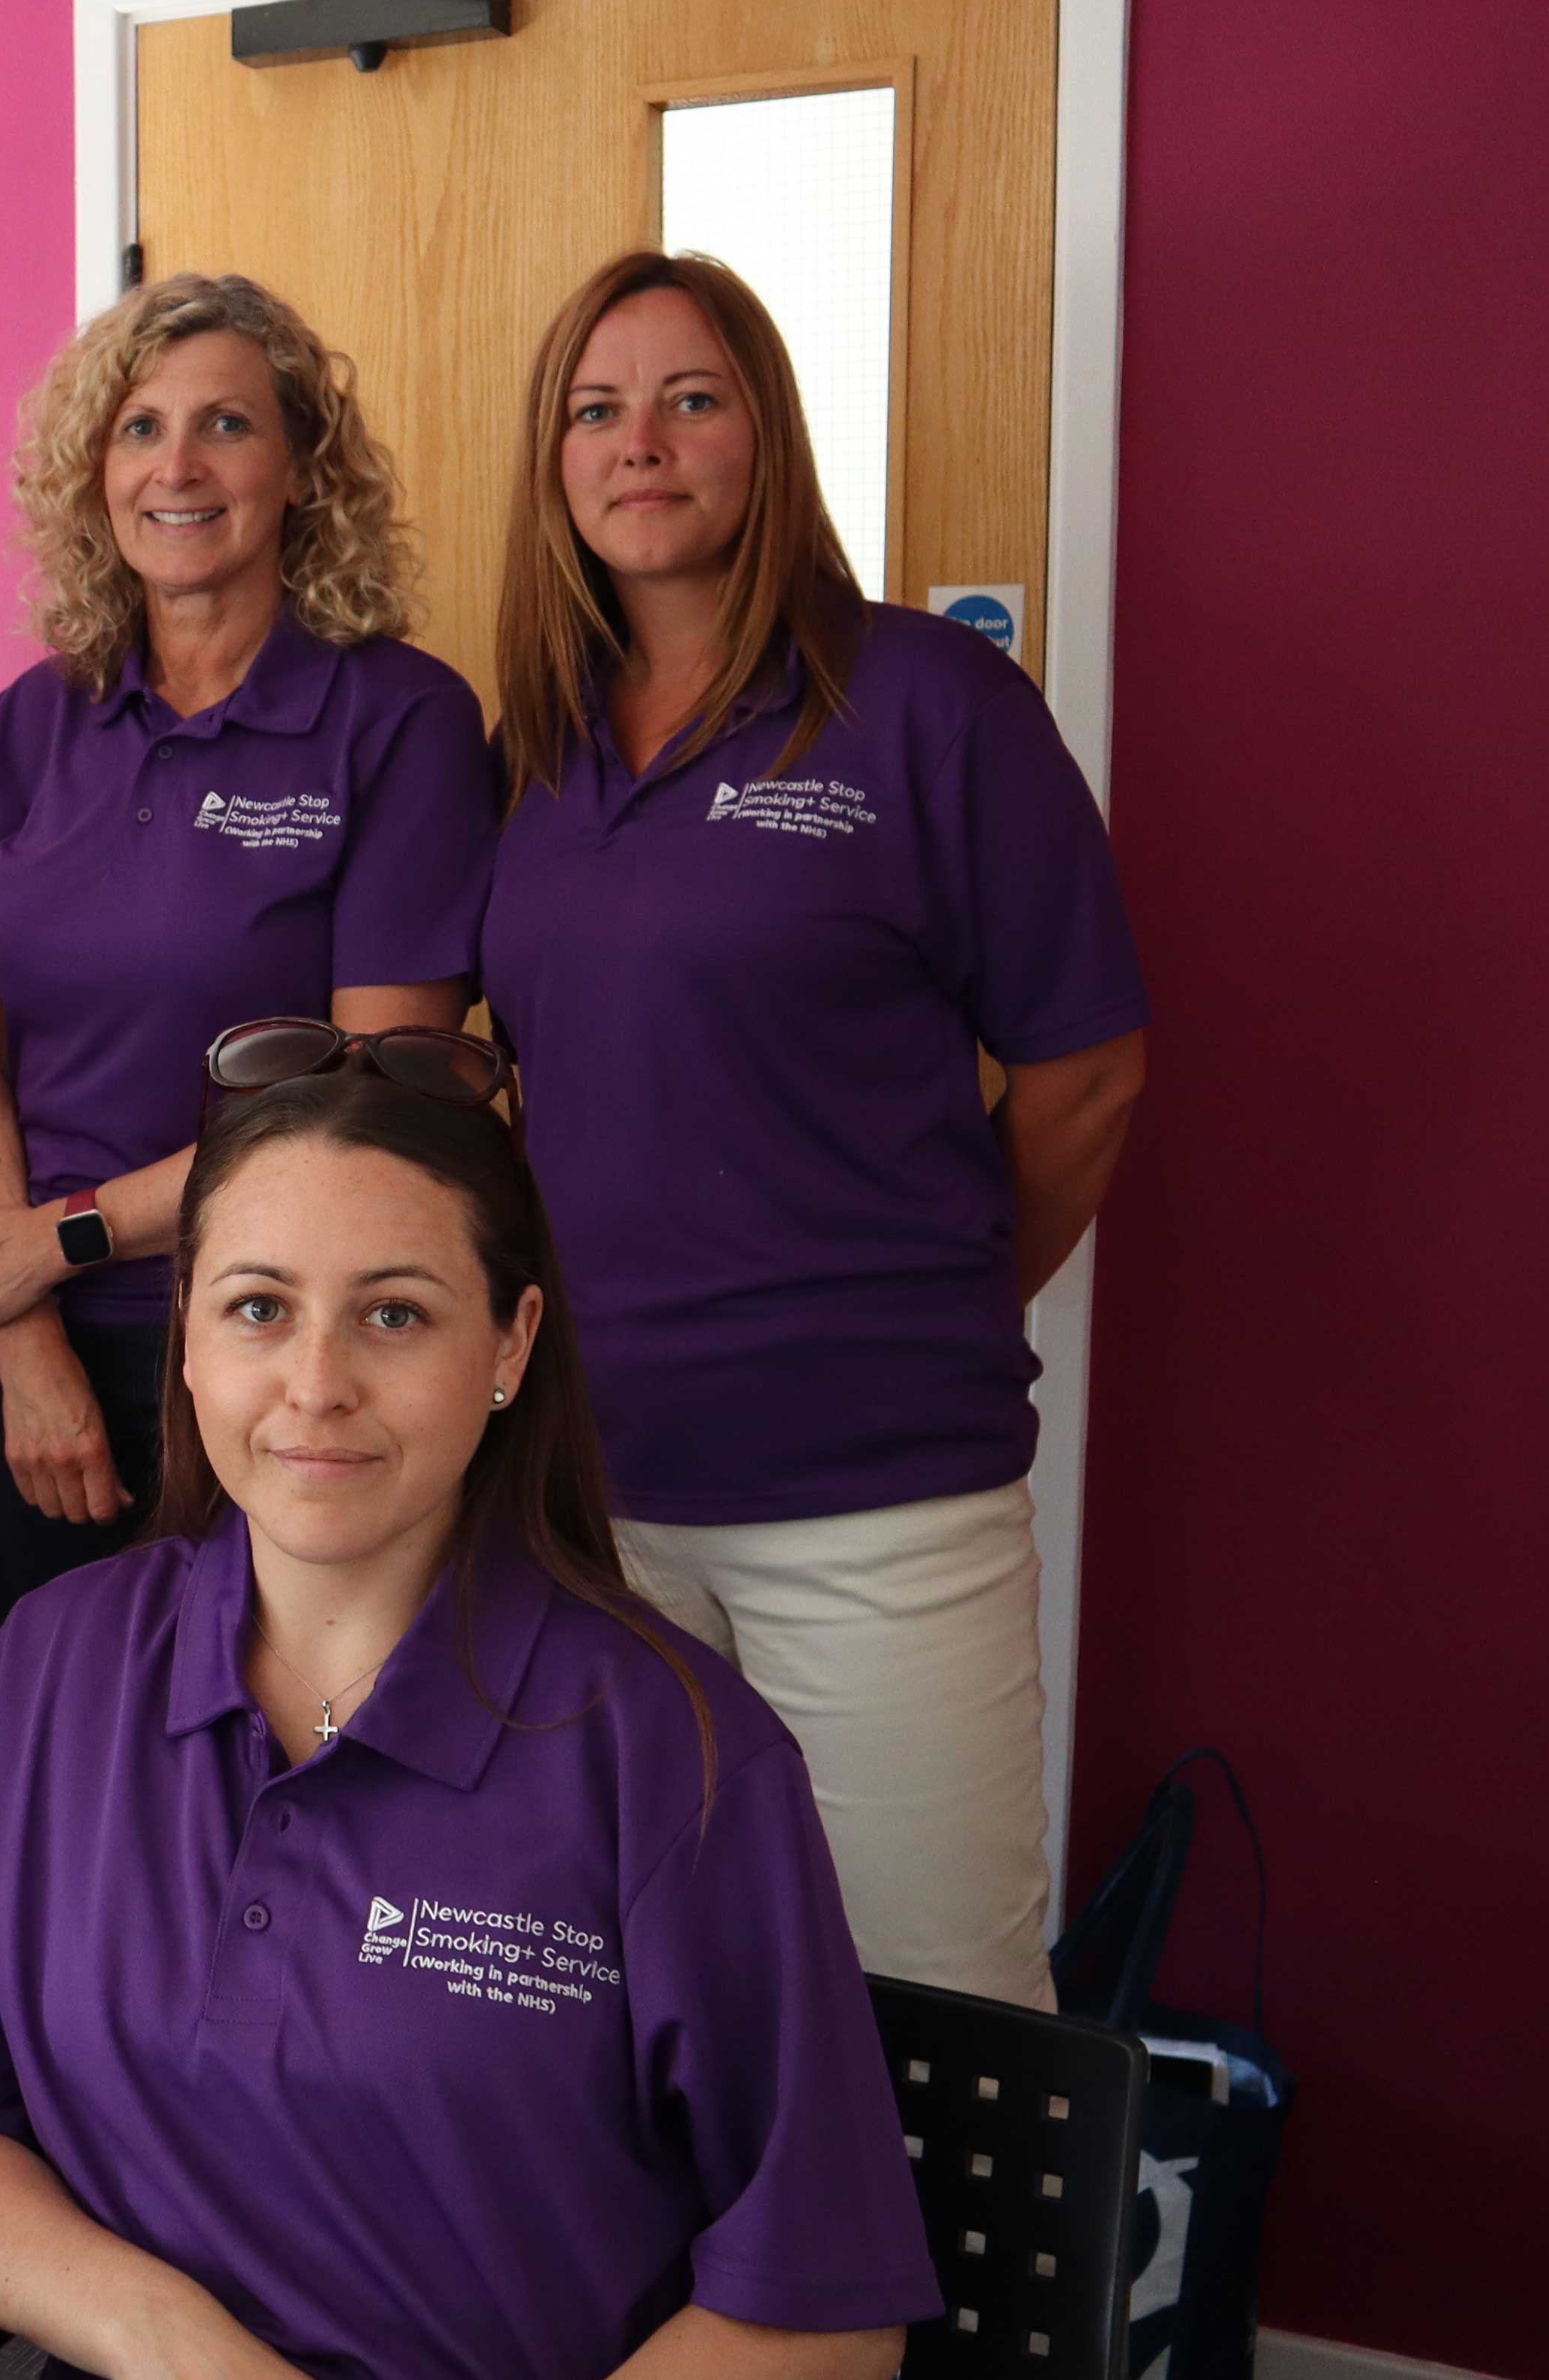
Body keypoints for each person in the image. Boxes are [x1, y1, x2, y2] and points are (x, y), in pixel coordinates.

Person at [0, 1047, 936, 2380]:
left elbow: (829, 2314)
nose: (316, 1382)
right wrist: (165, 2332)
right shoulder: (58, 1667)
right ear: (189, 1340)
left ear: (509, 1346)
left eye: (397, 1312)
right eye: (259, 1306)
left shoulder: (671, 1747)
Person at [476, 249, 1146, 2015]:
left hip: (877, 1505)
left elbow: (1087, 1076)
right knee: (640, 1998)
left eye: (693, 397)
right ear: (553, 460)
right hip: (589, 1500)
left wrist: (930, 1305)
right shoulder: (529, 754)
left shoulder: (932, 707)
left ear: (767, 435)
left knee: (930, 2011)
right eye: (595, 408)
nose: (644, 442)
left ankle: (929, 2314)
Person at [0, 275, 500, 1668]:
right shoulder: (38, 721)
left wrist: (62, 1236)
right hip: (54, 1363)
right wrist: (27, 1342)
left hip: (300, 1360)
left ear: (301, 468)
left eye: (225, 426)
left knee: (288, 1798)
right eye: (139, 430)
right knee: (52, 1796)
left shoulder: (397, 719)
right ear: (94, 473)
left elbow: (375, 1102)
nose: (175, 468)